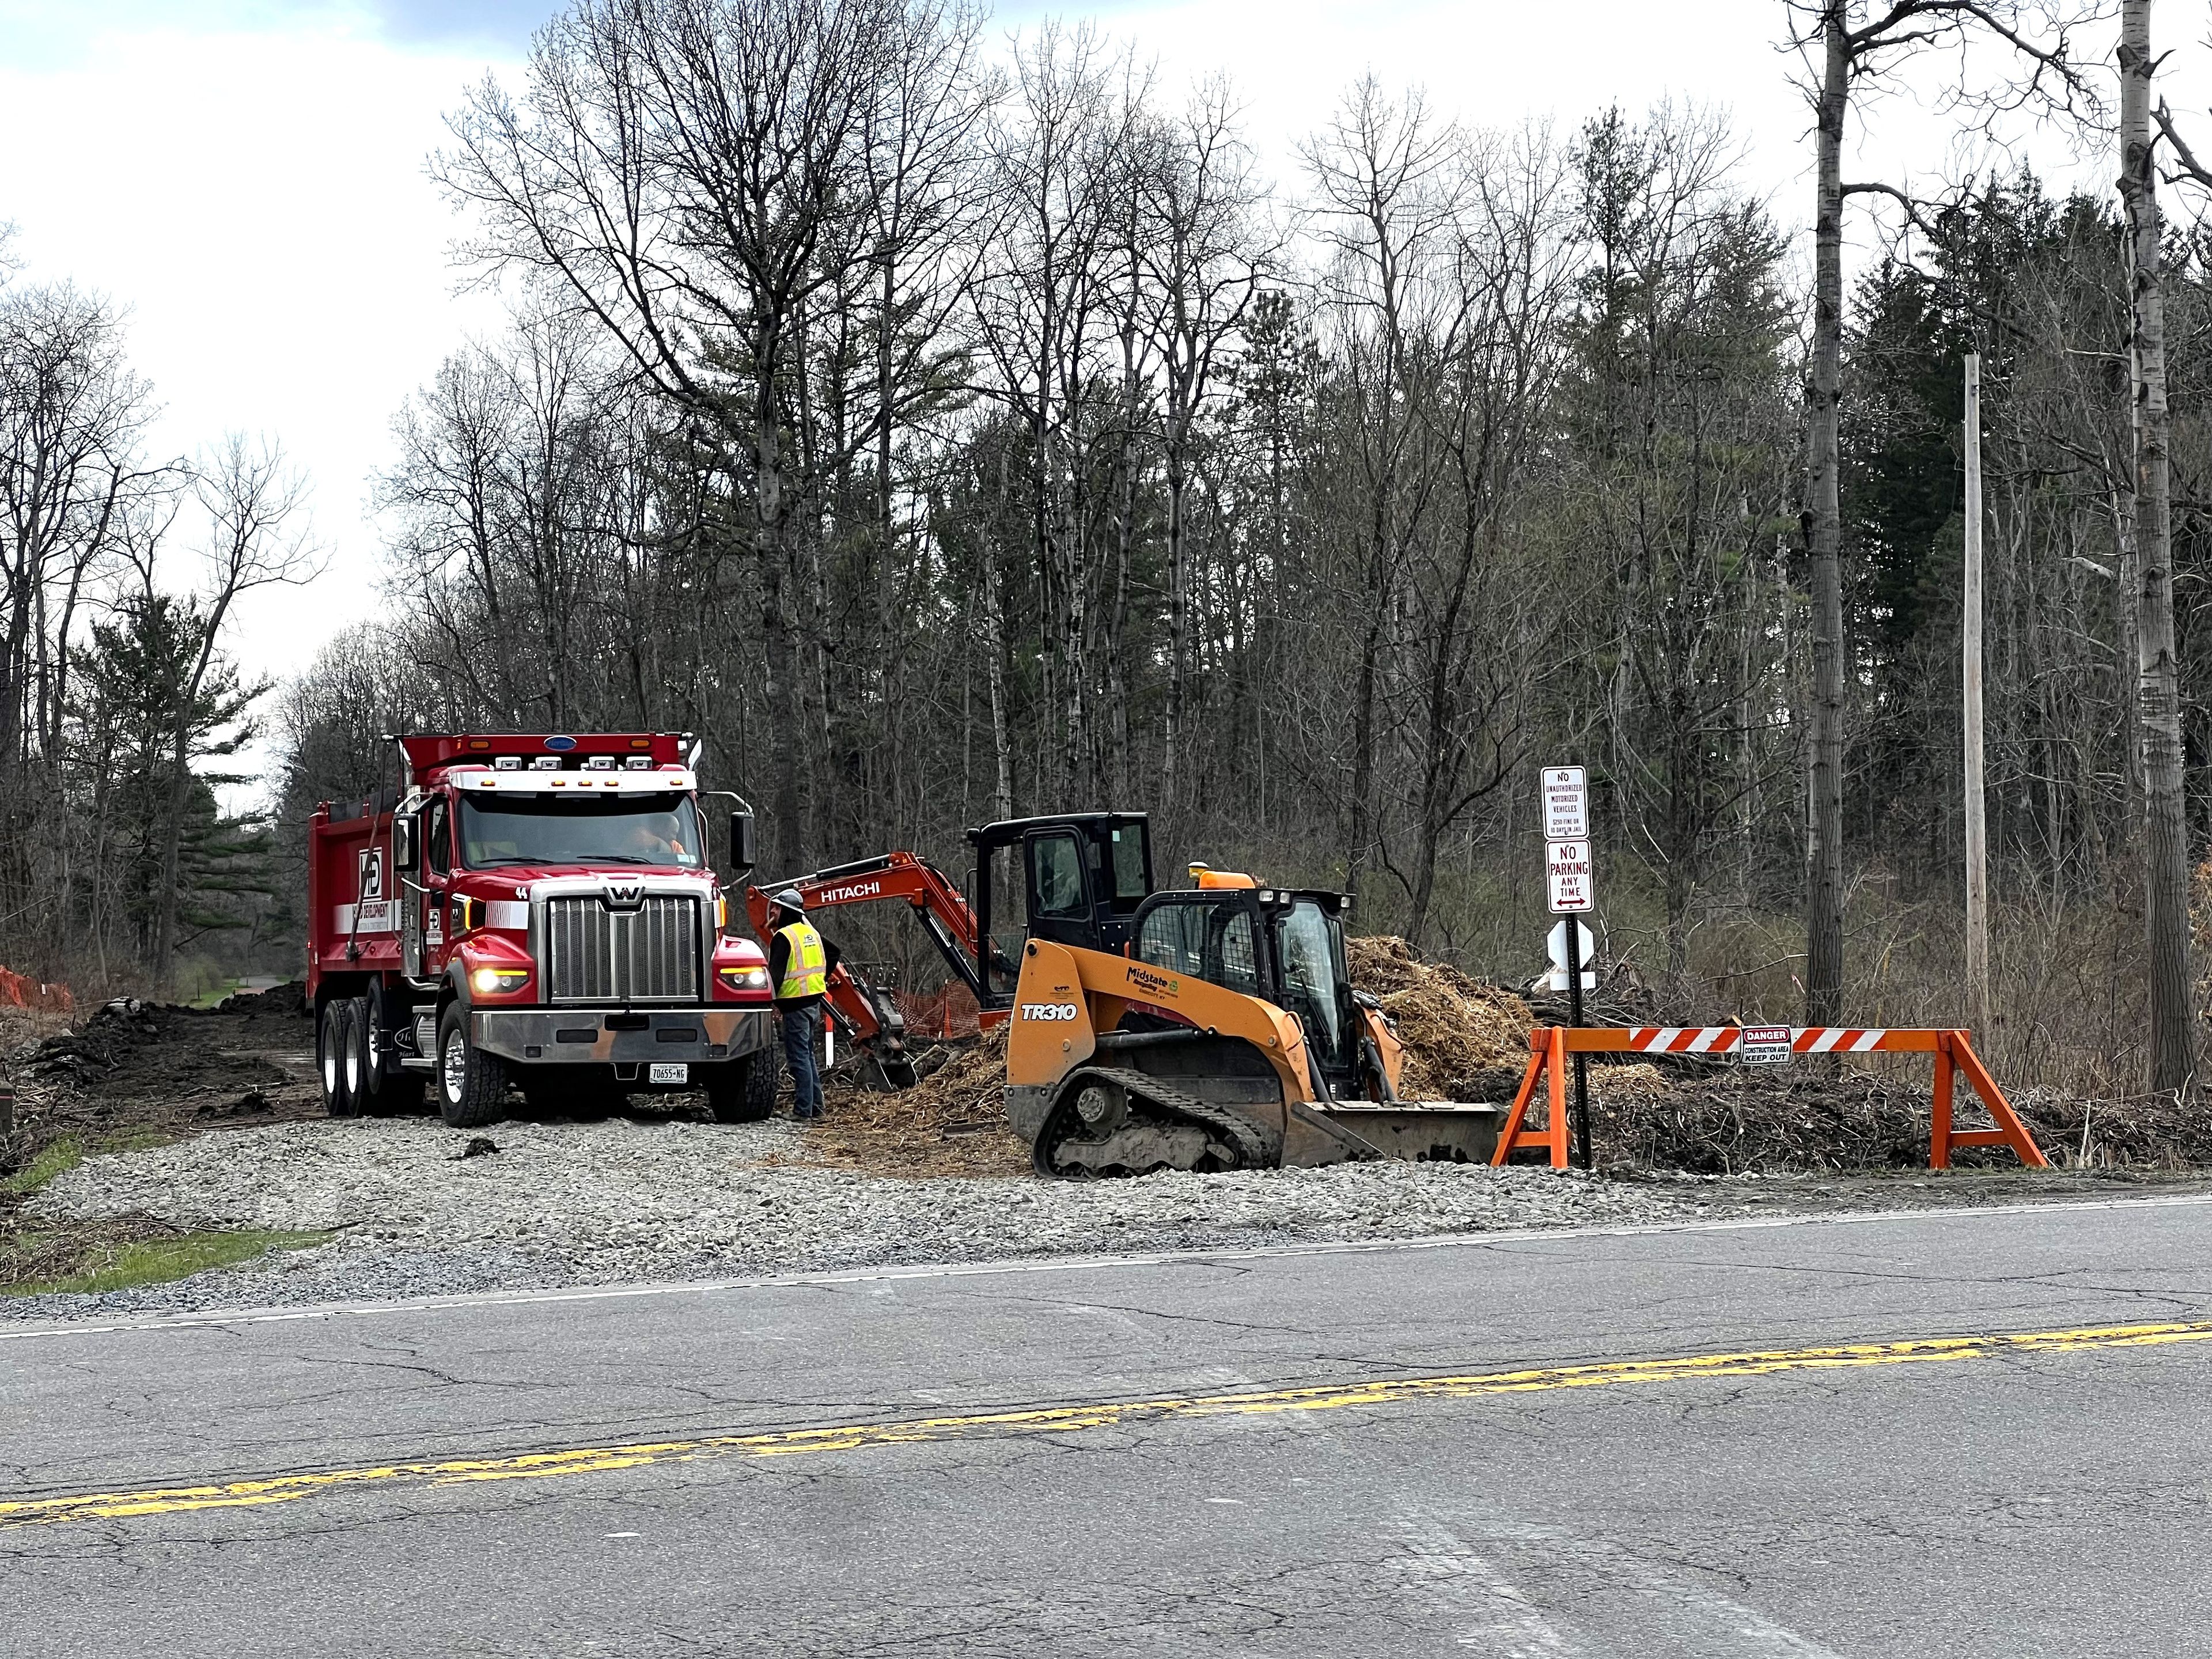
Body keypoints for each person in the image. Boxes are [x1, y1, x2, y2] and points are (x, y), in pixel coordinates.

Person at [766, 889, 839, 1120]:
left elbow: (775, 976)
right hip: (813, 1003)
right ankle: (816, 1109)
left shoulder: (784, 937)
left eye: (776, 908)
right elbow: (834, 952)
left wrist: (766, 1003)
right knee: (807, 1057)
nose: (773, 912)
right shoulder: (811, 933)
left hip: (795, 1005)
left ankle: (803, 1111)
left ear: (786, 911)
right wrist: (821, 979)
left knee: (798, 1058)